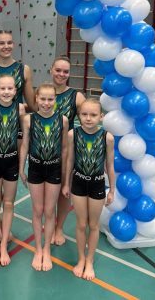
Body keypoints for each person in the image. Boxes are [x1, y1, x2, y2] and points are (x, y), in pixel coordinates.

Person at [62, 98, 115, 281]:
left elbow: (110, 166)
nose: (88, 118)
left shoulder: (107, 137)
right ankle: (81, 259)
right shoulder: (73, 134)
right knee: (81, 224)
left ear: (101, 116)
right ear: (79, 115)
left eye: (93, 115)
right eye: (84, 114)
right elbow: (70, 161)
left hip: (97, 184)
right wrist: (66, 183)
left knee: (93, 225)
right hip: (78, 183)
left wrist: (112, 190)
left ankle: (90, 261)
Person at [19, 83, 69, 271]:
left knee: (49, 211)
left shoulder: (62, 120)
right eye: (43, 99)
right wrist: (21, 168)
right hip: (35, 169)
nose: (46, 103)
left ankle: (47, 249)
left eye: (50, 99)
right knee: (37, 210)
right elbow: (25, 145)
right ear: (36, 99)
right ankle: (38, 249)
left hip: (54, 169)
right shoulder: (29, 119)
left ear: (55, 100)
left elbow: (64, 148)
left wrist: (64, 174)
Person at [0, 75, 26, 267]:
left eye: (10, 88)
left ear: (15, 91)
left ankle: (4, 246)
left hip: (11, 162)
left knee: (9, 204)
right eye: (2, 88)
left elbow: (22, 138)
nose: (6, 92)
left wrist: (20, 164)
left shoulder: (20, 109)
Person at [49, 56, 85, 246]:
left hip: (66, 152)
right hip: (44, 152)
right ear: (51, 70)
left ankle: (59, 227)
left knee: (64, 192)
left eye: (65, 71)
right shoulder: (43, 92)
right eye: (58, 70)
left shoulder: (76, 96)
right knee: (48, 192)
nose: (61, 74)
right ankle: (49, 223)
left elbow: (88, 122)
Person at [0, 30, 35, 111]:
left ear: (13, 45)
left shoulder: (24, 70)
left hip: (17, 117)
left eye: (9, 43)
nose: (6, 46)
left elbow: (32, 104)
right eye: (1, 43)